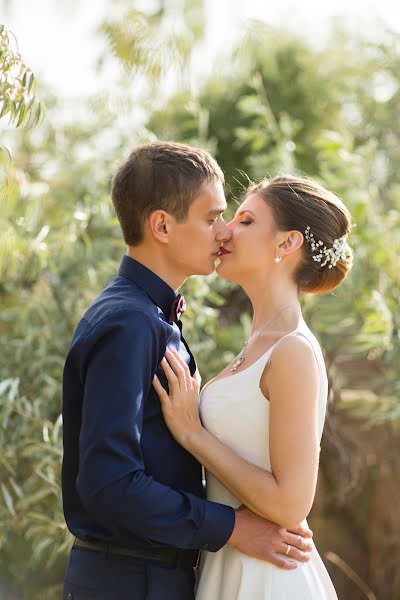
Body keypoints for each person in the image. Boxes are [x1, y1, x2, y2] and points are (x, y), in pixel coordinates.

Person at [61, 144, 313, 600]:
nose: (225, 232)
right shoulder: (129, 325)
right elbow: (109, 483)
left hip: (161, 576)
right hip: (128, 582)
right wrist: (232, 527)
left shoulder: (154, 320)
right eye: (213, 217)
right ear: (161, 226)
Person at [152, 174, 353, 599]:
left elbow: (290, 504)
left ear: (286, 244)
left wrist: (192, 434)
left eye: (245, 221)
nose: (225, 231)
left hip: (268, 578)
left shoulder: (293, 350)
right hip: (231, 563)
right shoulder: (258, 347)